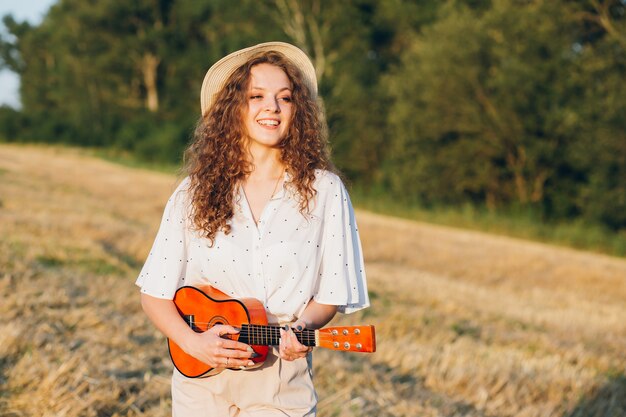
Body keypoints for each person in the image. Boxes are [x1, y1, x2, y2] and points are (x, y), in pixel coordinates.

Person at [136, 41, 369, 417]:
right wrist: (194, 344)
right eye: (256, 96)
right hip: (200, 386)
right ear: (232, 109)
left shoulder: (325, 191)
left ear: (299, 111)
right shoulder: (193, 192)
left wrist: (305, 327)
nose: (272, 108)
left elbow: (331, 292)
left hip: (279, 383)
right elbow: (155, 293)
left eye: (285, 98)